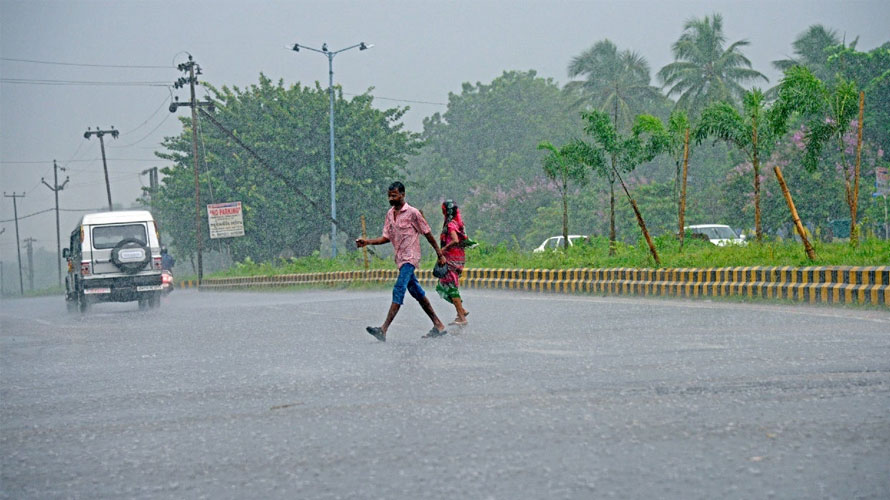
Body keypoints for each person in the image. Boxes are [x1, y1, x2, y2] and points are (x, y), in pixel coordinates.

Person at [355, 181, 448, 341]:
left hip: (410, 258)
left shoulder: (413, 213)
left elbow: (427, 233)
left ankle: (383, 329)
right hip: (400, 259)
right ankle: (438, 324)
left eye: (394, 195)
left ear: (403, 194)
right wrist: (367, 242)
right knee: (417, 292)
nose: (391, 198)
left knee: (399, 289)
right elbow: (386, 237)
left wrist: (439, 254)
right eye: (389, 195)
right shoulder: (390, 214)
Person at [436, 199, 469, 326]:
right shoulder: (458, 223)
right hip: (459, 258)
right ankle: (461, 311)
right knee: (447, 285)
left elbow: (455, 240)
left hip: (451, 259)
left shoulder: (450, 225)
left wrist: (443, 249)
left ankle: (461, 316)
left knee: (449, 286)